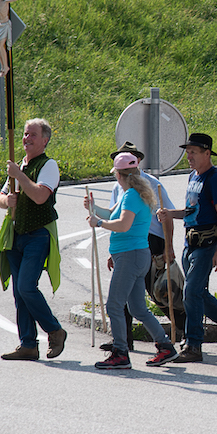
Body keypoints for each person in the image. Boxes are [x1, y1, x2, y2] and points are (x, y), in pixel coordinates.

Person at [157, 133, 217, 363]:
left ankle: (193, 344)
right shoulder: (193, 177)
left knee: (191, 291)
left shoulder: (215, 179)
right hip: (191, 243)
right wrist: (171, 214)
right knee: (198, 293)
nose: (188, 156)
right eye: (187, 152)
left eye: (193, 152)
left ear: (207, 153)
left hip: (208, 244)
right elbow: (191, 212)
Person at [83, 142, 176, 352]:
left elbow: (123, 225)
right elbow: (111, 214)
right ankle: (165, 346)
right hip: (135, 255)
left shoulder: (131, 195)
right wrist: (93, 208)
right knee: (138, 309)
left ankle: (120, 351)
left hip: (130, 256)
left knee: (114, 306)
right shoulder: (131, 192)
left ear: (119, 174)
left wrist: (98, 223)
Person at [0, 118, 66, 361]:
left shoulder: (48, 165)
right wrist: (8, 200)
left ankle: (54, 330)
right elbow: (1, 197)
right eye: (25, 134)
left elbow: (39, 196)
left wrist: (19, 176)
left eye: (33, 135)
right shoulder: (19, 166)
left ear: (45, 140)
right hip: (16, 235)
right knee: (19, 291)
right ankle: (27, 344)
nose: (26, 138)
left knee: (27, 286)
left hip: (38, 234)